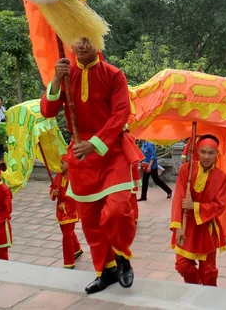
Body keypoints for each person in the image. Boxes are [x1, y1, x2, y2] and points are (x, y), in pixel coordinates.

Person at [41, 37, 142, 294]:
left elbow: (121, 113)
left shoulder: (114, 74)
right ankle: (105, 270)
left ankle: (122, 257)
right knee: (91, 221)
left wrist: (95, 143)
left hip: (111, 151)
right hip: (81, 157)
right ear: (72, 46)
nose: (82, 46)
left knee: (118, 210)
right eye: (78, 41)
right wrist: (55, 79)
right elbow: (48, 111)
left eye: (88, 40)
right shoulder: (67, 74)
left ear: (98, 43)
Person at [170, 135, 226, 286]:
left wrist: (195, 206)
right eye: (203, 152)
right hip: (186, 226)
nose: (206, 156)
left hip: (207, 228)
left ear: (217, 154)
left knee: (208, 271)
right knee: (182, 266)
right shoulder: (186, 170)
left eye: (211, 153)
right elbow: (178, 199)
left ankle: (209, 300)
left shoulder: (222, 177)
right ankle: (196, 287)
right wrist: (177, 228)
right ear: (197, 152)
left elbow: (220, 205)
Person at [50, 159, 83, 269]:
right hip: (60, 211)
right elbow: (52, 187)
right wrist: (53, 193)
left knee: (66, 236)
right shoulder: (58, 177)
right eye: (60, 162)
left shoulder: (75, 178)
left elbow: (76, 196)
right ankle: (77, 249)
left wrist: (64, 206)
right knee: (67, 232)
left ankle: (69, 262)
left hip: (70, 210)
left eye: (63, 163)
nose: (60, 165)